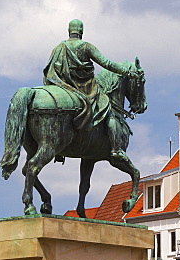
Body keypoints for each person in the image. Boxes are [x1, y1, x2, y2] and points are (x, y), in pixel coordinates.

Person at [42, 19, 135, 161]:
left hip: (62, 86)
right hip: (84, 88)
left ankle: (59, 151)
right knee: (107, 107)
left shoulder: (58, 47)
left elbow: (50, 69)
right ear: (81, 32)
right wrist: (125, 72)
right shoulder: (86, 47)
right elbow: (106, 63)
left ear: (69, 31)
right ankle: (116, 149)